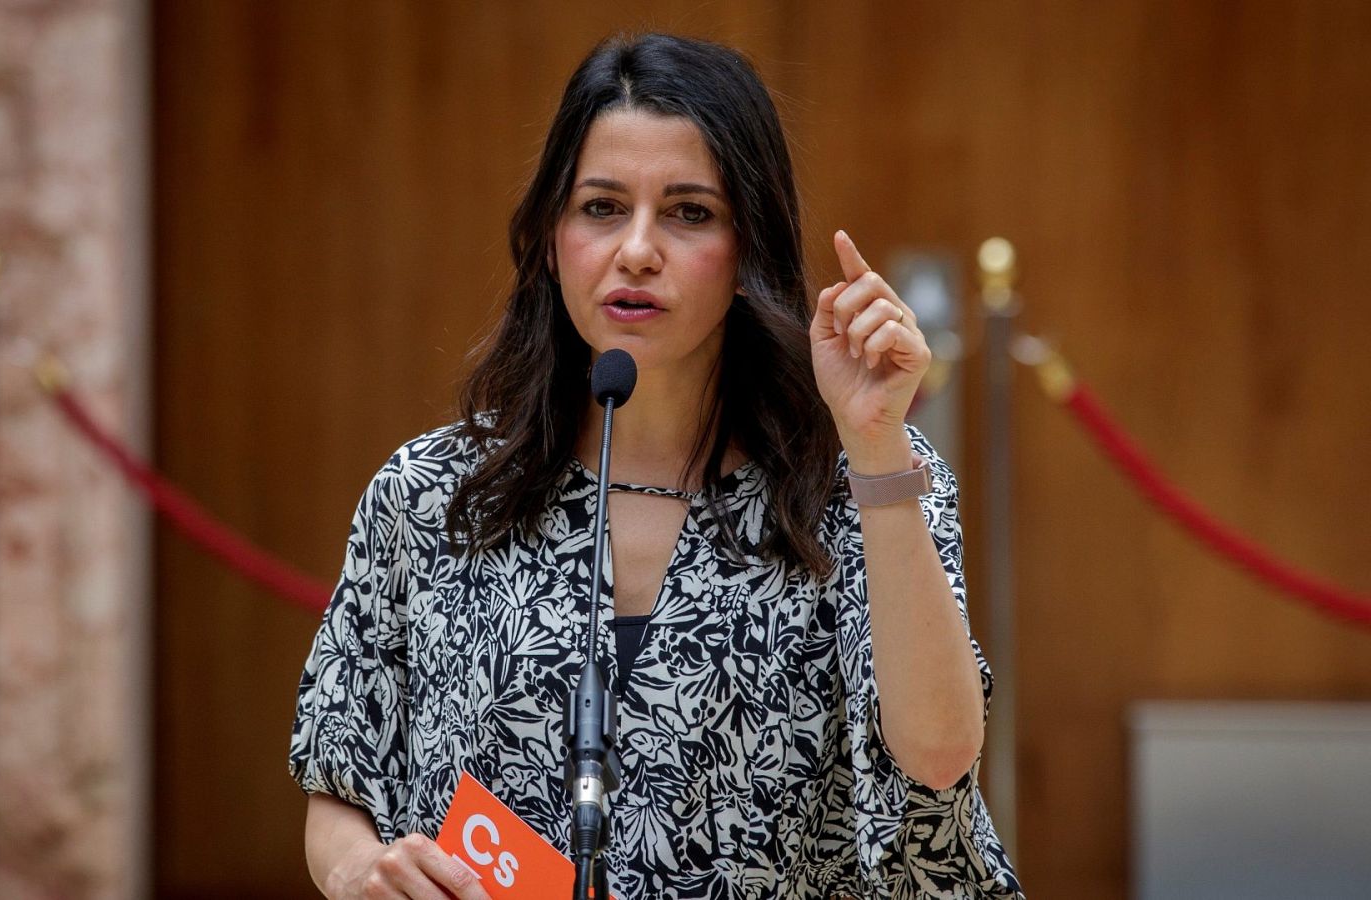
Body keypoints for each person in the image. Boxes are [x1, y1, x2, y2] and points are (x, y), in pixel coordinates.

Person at [290, 32, 1023, 900]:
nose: (637, 249)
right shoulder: (432, 493)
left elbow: (940, 760)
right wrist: (353, 873)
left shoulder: (856, 485)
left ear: (749, 247)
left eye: (688, 213)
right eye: (601, 207)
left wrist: (873, 444)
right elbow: (339, 769)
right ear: (551, 235)